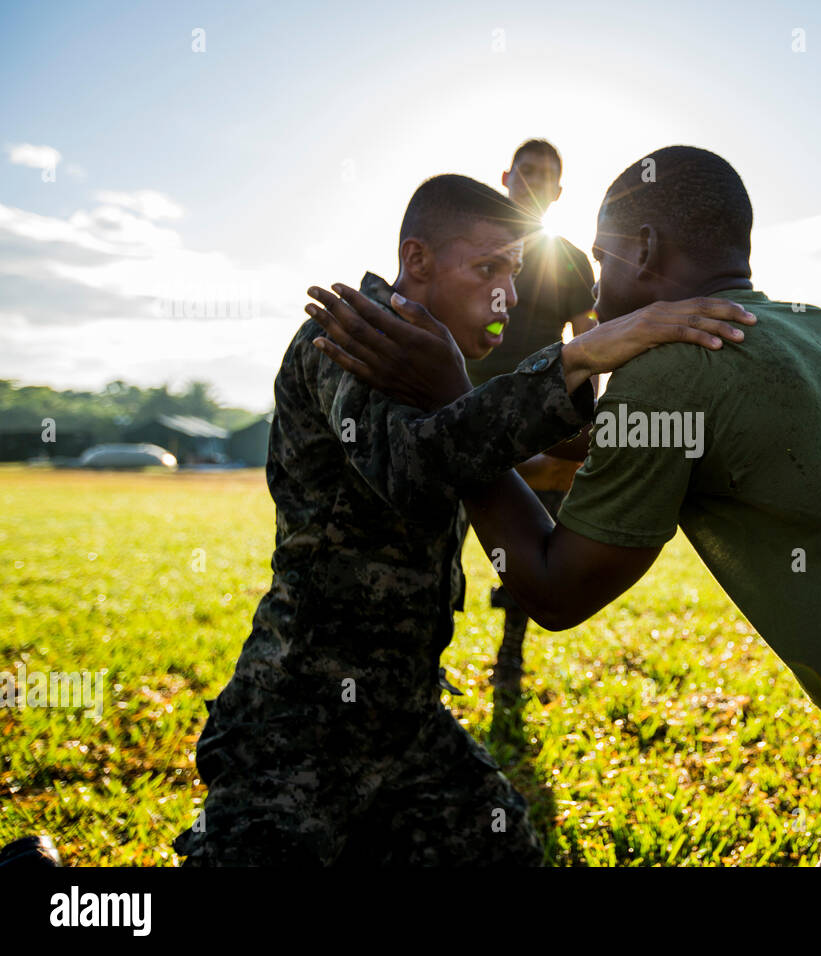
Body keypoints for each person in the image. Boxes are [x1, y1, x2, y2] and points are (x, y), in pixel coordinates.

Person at [311, 146, 821, 866]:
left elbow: (553, 590)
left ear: (642, 247)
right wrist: (502, 407)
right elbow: (627, 440)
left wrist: (457, 413)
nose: (594, 283)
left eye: (604, 259)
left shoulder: (672, 370)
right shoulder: (815, 330)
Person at [171, 172, 755, 866]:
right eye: (486, 269)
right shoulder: (348, 335)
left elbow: (488, 436)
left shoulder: (426, 362)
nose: (505, 292)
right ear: (418, 261)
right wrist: (581, 355)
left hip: (405, 724)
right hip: (300, 723)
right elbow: (419, 469)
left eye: (512, 269)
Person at [469, 139, 598, 703]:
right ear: (506, 176)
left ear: (559, 191)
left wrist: (580, 427)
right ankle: (425, 652)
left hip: (538, 416)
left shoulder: (569, 258)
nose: (536, 182)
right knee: (437, 531)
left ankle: (509, 657)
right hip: (463, 404)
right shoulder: (472, 250)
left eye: (548, 176)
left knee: (525, 540)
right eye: (527, 172)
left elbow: (589, 340)